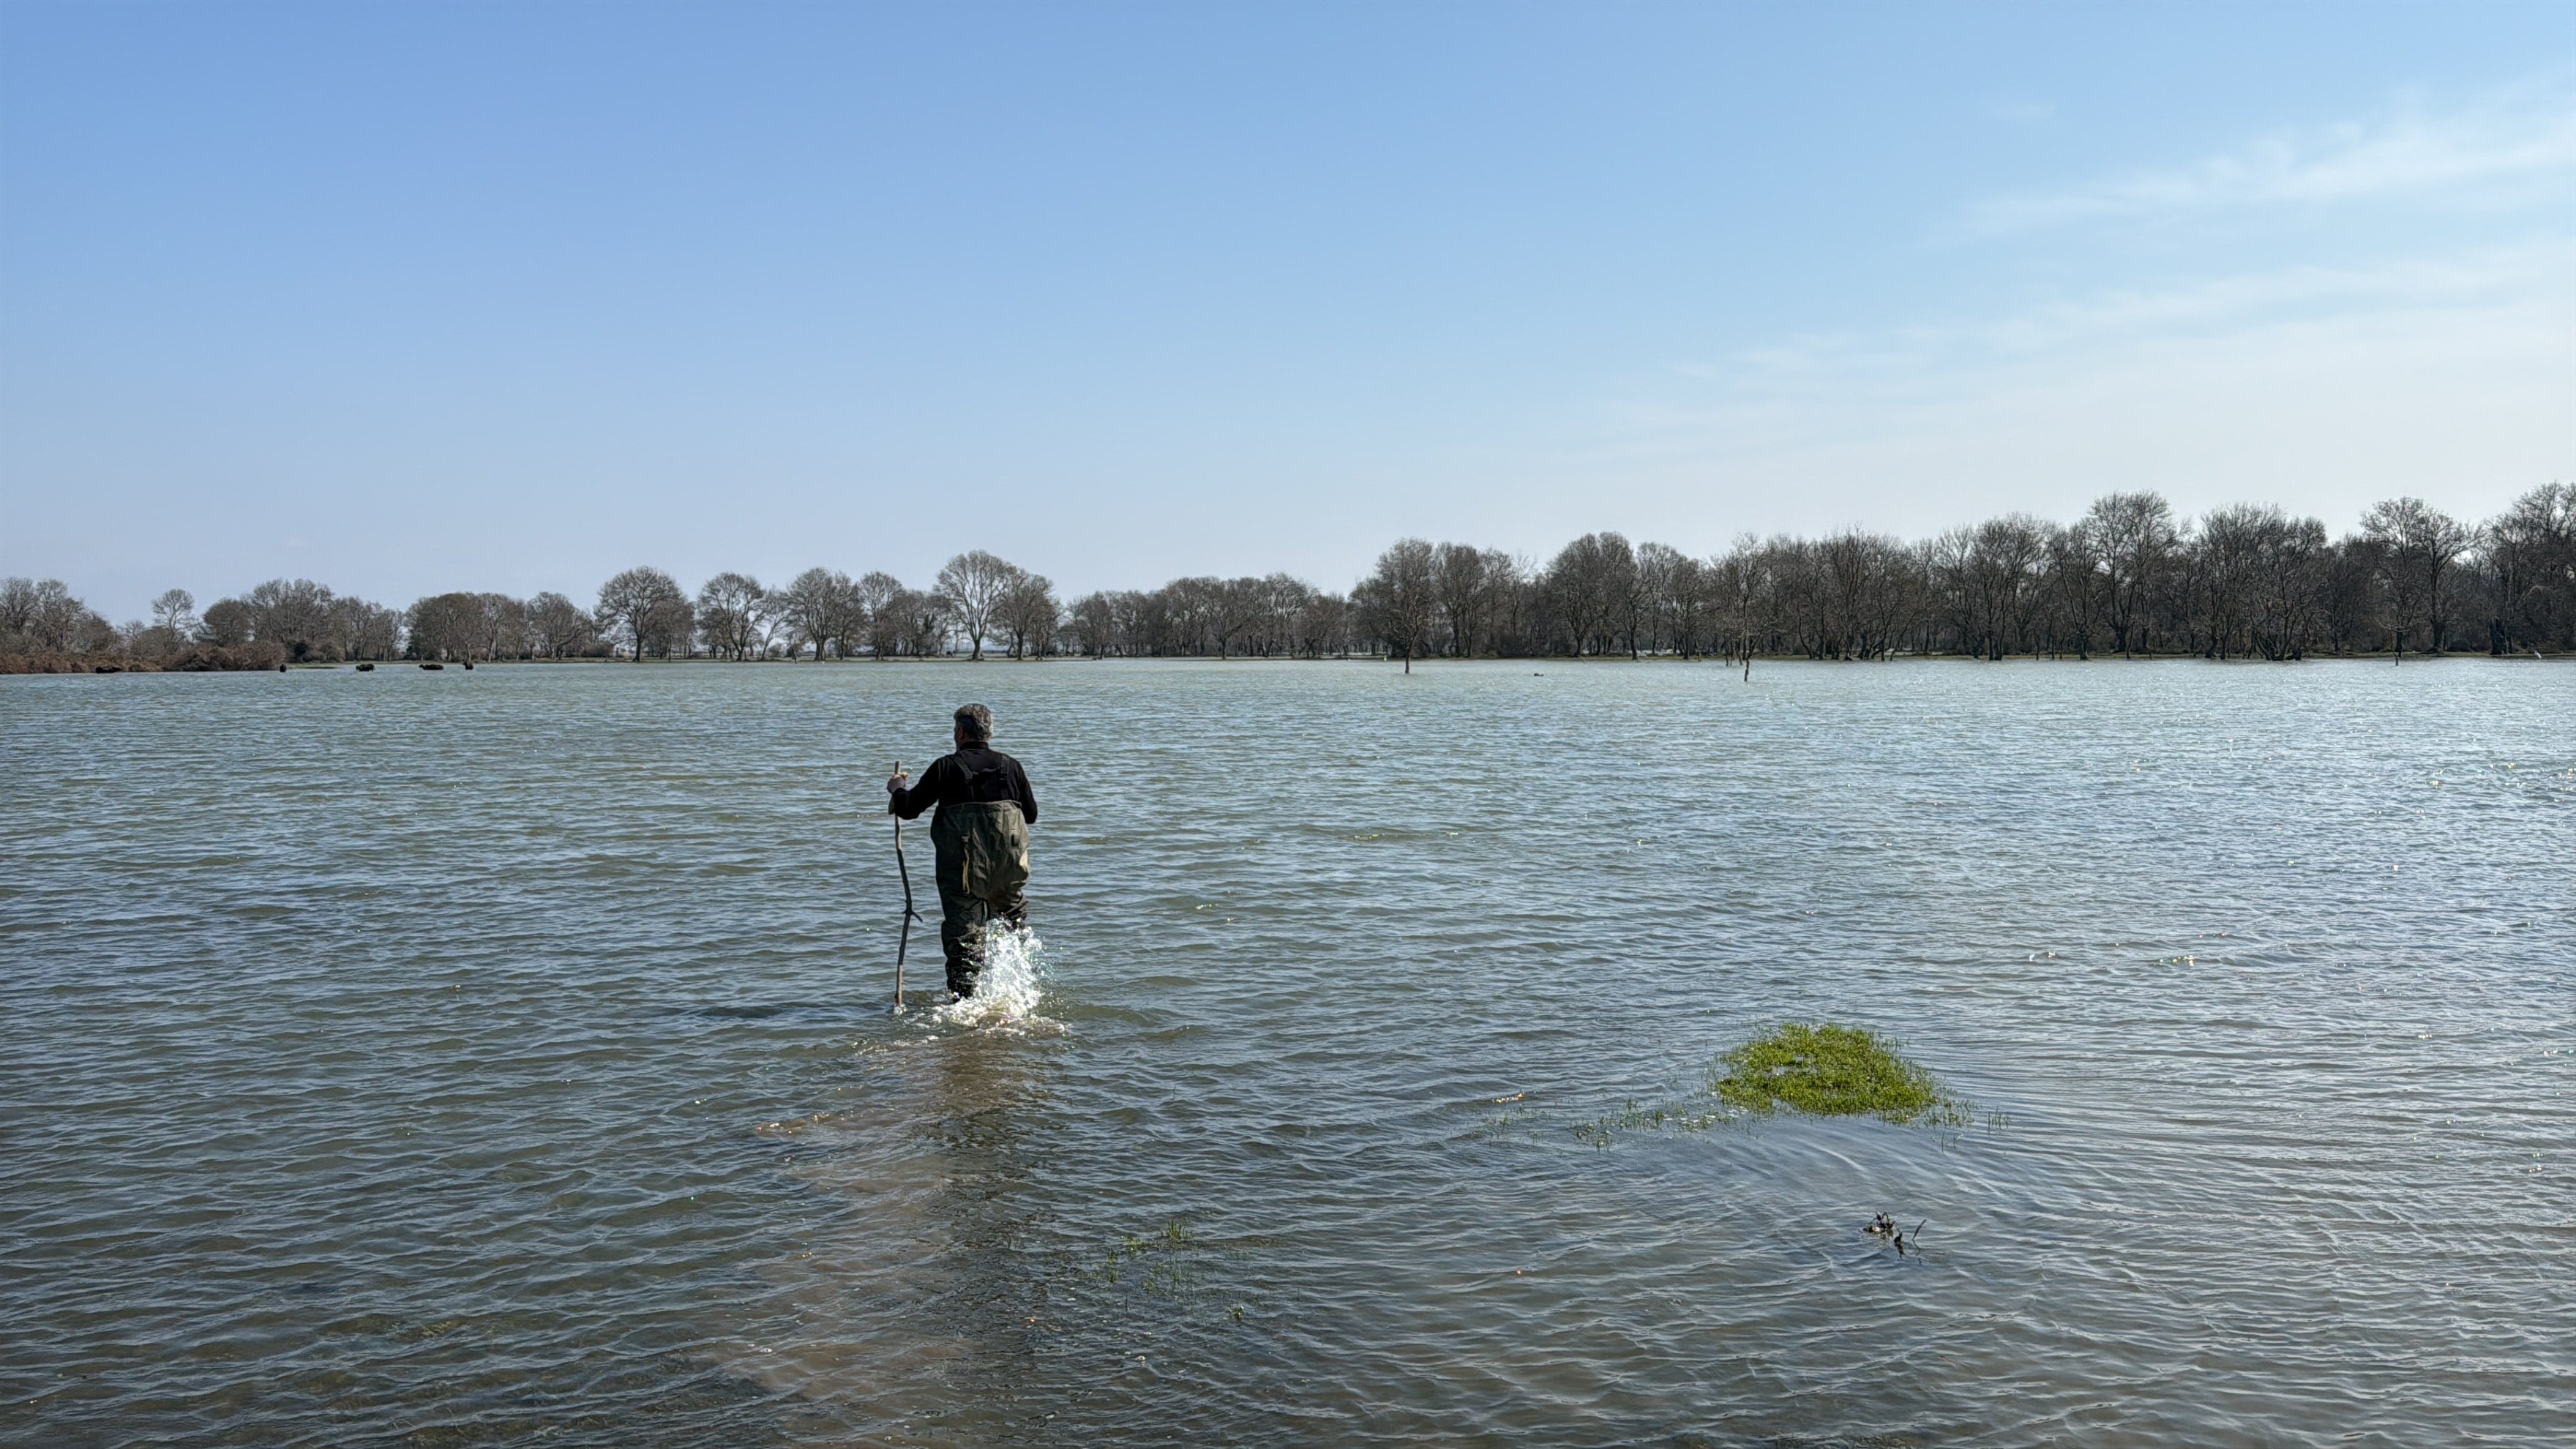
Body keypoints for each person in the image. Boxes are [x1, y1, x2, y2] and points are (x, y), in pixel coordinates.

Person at [887, 703, 1038, 999]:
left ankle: (964, 1008)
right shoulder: (1011, 766)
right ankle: (1017, 996)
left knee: (965, 945)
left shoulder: (946, 767)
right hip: (1009, 874)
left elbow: (908, 809)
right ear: (989, 732)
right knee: (1012, 936)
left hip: (963, 876)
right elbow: (1030, 815)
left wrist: (898, 788)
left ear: (960, 732)